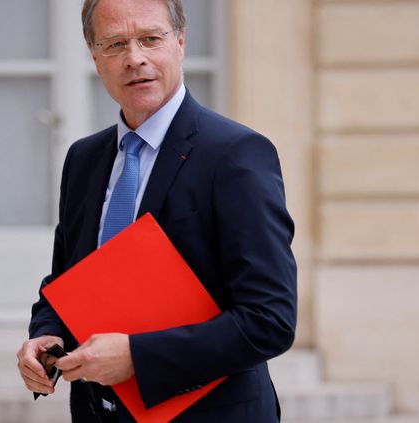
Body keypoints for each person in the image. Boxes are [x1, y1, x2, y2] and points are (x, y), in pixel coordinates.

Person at [16, 0, 297, 421]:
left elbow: (269, 320)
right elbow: (67, 280)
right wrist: (47, 333)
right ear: (94, 57)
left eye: (150, 38)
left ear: (180, 42)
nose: (135, 59)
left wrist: (136, 357)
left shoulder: (236, 155)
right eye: (115, 44)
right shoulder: (83, 159)